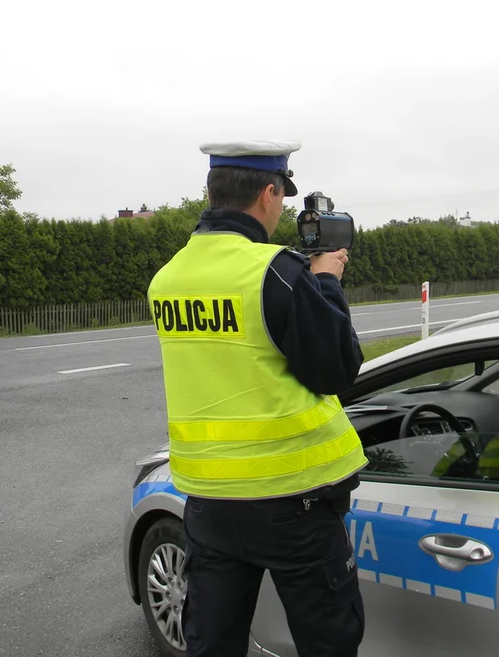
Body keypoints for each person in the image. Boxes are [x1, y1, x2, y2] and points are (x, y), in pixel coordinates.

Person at [146, 139, 369, 657]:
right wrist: (326, 282)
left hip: (209, 504)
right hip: (293, 502)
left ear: (213, 191)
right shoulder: (276, 271)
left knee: (213, 642)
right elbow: (337, 369)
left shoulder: (167, 278)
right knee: (328, 642)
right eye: (283, 198)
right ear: (269, 193)